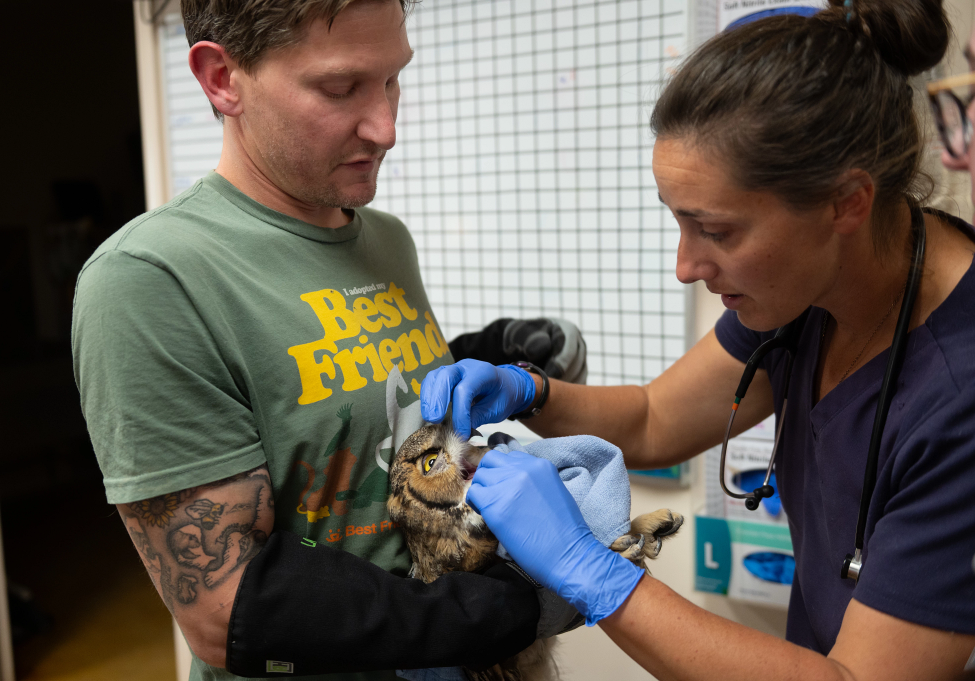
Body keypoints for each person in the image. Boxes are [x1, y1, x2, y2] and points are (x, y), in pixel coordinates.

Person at [422, 1, 975, 679]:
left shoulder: (960, 396)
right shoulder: (806, 291)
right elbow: (657, 419)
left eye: (716, 230)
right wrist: (530, 390)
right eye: (679, 222)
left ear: (846, 202)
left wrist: (591, 570)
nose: (686, 266)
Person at [71, 1, 558, 679]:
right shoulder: (150, 279)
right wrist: (499, 612)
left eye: (392, 79)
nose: (386, 127)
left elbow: (354, 425)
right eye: (340, 88)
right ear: (221, 78)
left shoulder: (385, 239)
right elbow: (225, 607)